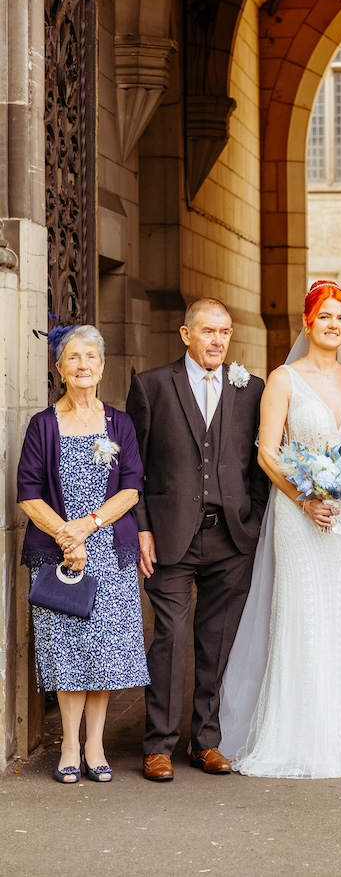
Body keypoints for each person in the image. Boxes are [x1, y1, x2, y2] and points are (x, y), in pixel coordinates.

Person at [219, 280, 341, 778]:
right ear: (308, 322)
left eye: (340, 317)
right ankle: (296, 737)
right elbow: (267, 453)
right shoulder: (284, 378)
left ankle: (340, 734)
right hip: (298, 513)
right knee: (304, 617)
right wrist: (306, 499)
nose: (332, 324)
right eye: (323, 315)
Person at [126, 298, 267, 782]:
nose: (217, 341)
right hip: (169, 536)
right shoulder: (151, 386)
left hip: (232, 537)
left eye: (225, 332)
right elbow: (132, 468)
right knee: (169, 637)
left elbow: (261, 463)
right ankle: (158, 746)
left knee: (217, 642)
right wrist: (142, 527)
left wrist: (253, 519)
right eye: (208, 331)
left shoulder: (251, 389)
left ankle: (205, 741)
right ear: (186, 334)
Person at [17, 324, 148, 783]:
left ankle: (95, 744)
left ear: (103, 367)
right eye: (73, 357)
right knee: (69, 652)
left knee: (104, 652)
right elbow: (28, 494)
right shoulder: (43, 425)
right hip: (58, 558)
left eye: (91, 356)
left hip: (109, 554)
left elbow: (131, 488)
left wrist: (87, 528)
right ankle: (69, 745)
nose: (83, 365)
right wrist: (67, 539)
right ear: (59, 369)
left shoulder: (120, 423)